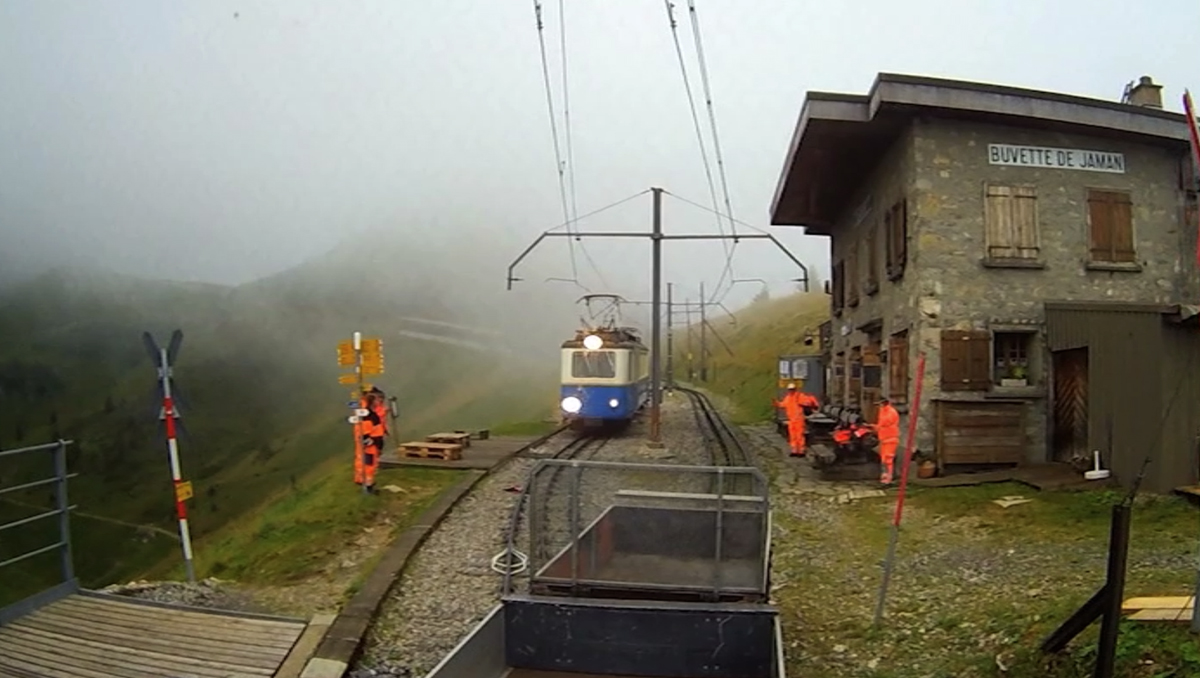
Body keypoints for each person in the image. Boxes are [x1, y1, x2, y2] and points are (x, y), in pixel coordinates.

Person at [774, 383, 819, 457]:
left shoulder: (800, 396)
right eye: (789, 390)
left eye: (792, 389)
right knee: (792, 436)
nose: (791, 391)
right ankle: (794, 450)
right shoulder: (788, 397)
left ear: (795, 389)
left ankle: (801, 450)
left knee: (799, 435)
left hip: (799, 419)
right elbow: (783, 405)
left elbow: (807, 402)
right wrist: (777, 404)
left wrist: (803, 403)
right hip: (791, 420)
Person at [873, 396, 901, 484]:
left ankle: (889, 477)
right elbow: (881, 424)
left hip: (890, 438)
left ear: (883, 403)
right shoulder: (883, 411)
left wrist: (876, 427)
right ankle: (884, 476)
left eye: (879, 404)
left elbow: (885, 422)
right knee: (883, 459)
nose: (878, 406)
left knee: (888, 459)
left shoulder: (891, 412)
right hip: (884, 438)